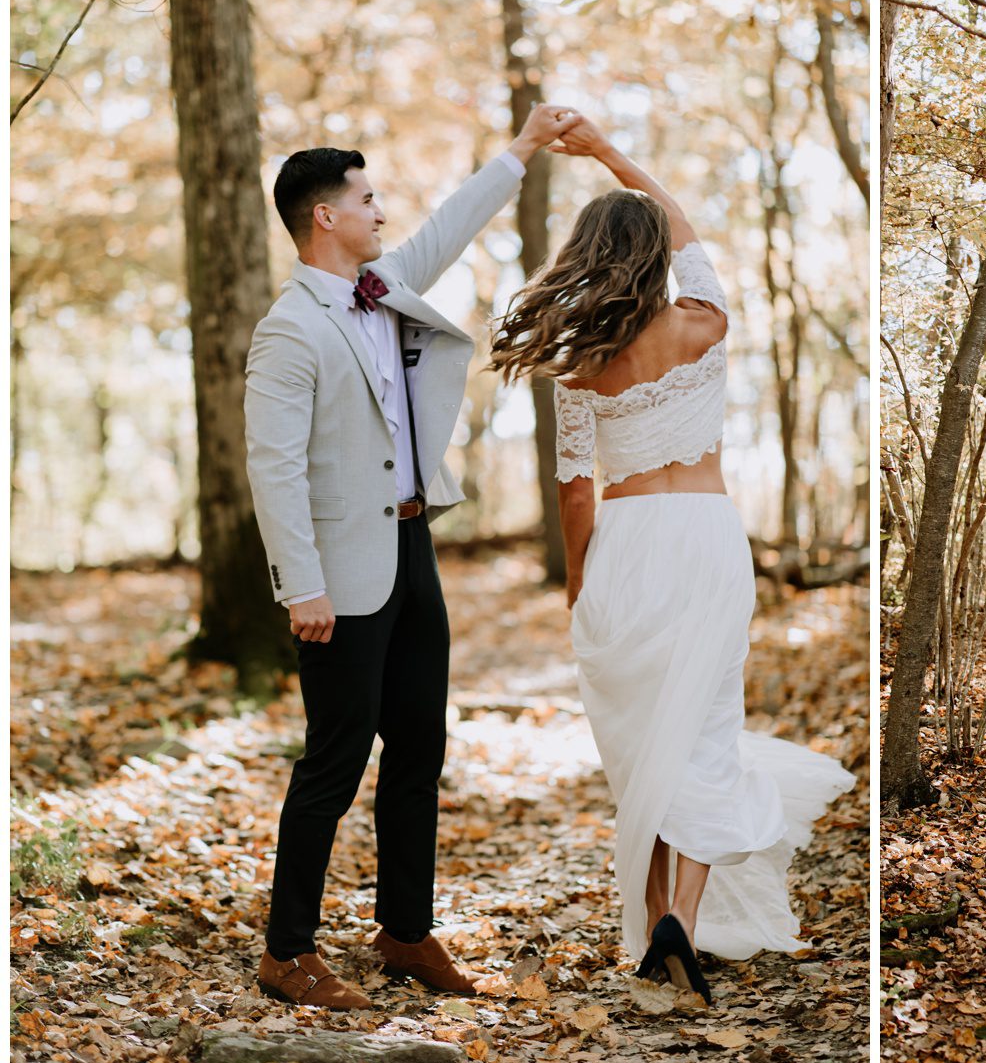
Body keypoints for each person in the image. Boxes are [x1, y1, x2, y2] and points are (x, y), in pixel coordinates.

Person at [489, 115, 852, 1003]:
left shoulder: (581, 368)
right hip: (705, 535)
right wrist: (613, 154)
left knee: (646, 742)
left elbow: (576, 491)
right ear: (653, 256)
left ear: (585, 258)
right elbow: (683, 222)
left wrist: (580, 579)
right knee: (703, 732)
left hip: (627, 543)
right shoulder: (703, 322)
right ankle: (676, 922)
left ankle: (660, 920)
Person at [245, 102, 584, 1008]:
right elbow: (271, 467)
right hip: (339, 580)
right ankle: (288, 952)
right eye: (367, 197)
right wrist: (301, 585)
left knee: (419, 749)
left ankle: (404, 931)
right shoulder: (289, 329)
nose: (381, 209)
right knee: (336, 757)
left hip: (410, 547)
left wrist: (521, 149)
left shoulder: (381, 287)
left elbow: (451, 227)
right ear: (326, 215)